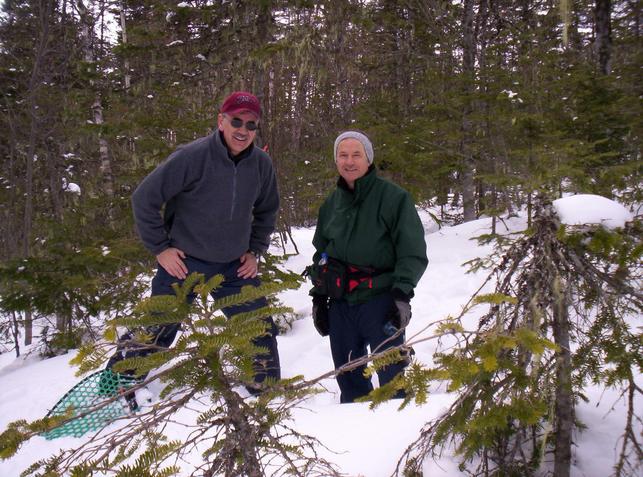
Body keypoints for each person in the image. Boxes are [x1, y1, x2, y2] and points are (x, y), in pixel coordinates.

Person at [108, 91, 281, 399]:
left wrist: (255, 251)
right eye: (236, 121)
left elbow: (267, 210)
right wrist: (161, 248)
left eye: (251, 124)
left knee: (259, 330)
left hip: (234, 266)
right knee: (160, 330)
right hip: (185, 262)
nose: (243, 130)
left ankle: (261, 396)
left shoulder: (261, 164)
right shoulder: (192, 156)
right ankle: (119, 382)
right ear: (221, 121)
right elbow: (144, 199)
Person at [308, 131, 428, 404]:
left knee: (392, 380)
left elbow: (412, 252)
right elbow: (321, 252)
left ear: (368, 158)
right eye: (343, 155)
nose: (349, 161)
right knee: (349, 381)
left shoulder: (394, 198)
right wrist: (319, 295)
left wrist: (401, 294)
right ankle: (356, 440)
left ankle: (399, 435)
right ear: (336, 159)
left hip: (381, 300)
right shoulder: (331, 204)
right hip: (341, 304)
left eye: (356, 154)